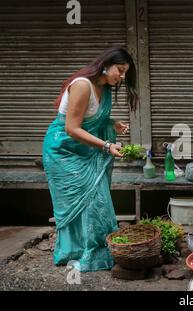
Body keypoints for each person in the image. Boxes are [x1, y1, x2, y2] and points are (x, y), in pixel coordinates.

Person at [42, 46, 138, 272]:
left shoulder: (103, 88)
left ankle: (94, 250)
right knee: (82, 202)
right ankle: (77, 252)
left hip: (85, 149)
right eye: (120, 70)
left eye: (125, 73)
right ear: (106, 65)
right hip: (63, 151)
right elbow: (72, 128)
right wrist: (106, 145)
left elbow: (90, 117)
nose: (122, 77)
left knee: (97, 200)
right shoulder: (82, 85)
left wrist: (111, 123)